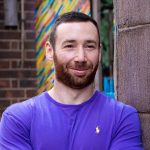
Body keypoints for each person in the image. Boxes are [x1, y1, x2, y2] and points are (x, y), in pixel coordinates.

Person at [0, 11, 143, 150]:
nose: (81, 57)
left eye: (89, 46)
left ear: (99, 53)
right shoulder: (18, 119)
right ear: (50, 51)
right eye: (69, 46)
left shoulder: (122, 118)